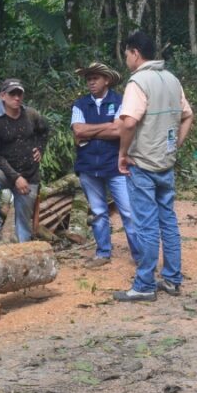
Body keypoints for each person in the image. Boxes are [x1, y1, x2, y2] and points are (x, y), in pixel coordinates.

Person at [113, 32, 194, 302]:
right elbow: (188, 115)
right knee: (168, 221)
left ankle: (145, 284)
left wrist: (123, 153)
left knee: (146, 225)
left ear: (135, 53)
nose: (126, 59)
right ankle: (172, 279)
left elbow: (128, 123)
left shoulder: (138, 82)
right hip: (165, 164)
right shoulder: (171, 79)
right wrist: (175, 146)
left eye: (126, 54)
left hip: (143, 165)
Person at [72, 62, 139, 267]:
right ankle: (103, 253)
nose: (91, 82)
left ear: (106, 80)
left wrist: (91, 130)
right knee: (98, 211)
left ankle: (139, 255)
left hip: (115, 165)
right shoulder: (80, 104)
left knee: (128, 211)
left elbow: (120, 131)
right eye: (89, 79)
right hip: (88, 166)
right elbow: (78, 132)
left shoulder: (120, 102)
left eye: (95, 78)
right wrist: (108, 127)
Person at [0, 79, 49, 244]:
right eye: (12, 93)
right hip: (5, 172)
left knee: (23, 229)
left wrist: (40, 148)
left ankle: (23, 251)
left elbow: (44, 130)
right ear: (2, 96)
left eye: (19, 93)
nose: (17, 97)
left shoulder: (31, 114)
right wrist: (15, 177)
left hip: (29, 175)